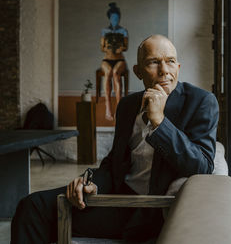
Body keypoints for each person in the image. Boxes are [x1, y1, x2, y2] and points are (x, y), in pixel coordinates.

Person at [11, 35, 219, 243]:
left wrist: (159, 122)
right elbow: (114, 163)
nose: (164, 70)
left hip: (153, 212)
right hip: (117, 201)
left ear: (178, 67)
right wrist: (90, 182)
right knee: (32, 207)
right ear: (138, 72)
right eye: (154, 62)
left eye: (170, 61)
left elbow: (202, 166)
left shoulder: (200, 102)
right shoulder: (128, 105)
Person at [101, 2, 129, 121]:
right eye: (113, 18)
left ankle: (119, 107)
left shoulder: (123, 31)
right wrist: (108, 48)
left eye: (117, 18)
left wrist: (119, 49)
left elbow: (125, 47)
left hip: (119, 59)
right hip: (107, 59)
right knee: (108, 73)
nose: (115, 20)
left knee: (116, 73)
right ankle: (108, 107)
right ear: (110, 18)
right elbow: (102, 47)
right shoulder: (104, 31)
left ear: (119, 18)